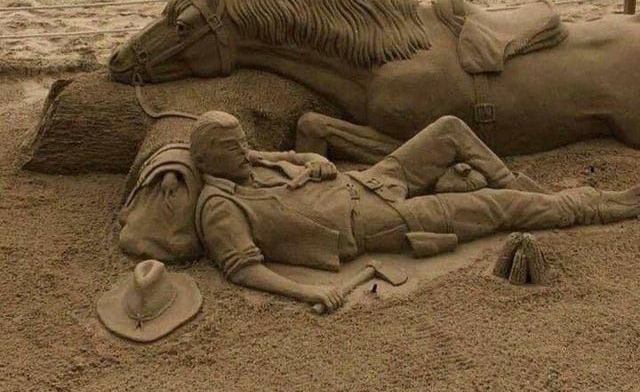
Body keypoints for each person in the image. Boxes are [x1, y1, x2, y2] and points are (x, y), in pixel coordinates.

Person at [190, 111, 640, 312]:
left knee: (449, 129)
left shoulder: (250, 162)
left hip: (369, 181)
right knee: (495, 208)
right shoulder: (220, 207)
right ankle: (597, 207)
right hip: (373, 223)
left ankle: (530, 191)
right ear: (211, 159)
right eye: (235, 147)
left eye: (244, 141)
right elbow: (243, 270)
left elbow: (293, 155)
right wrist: (308, 293)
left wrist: (314, 161)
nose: (246, 150)